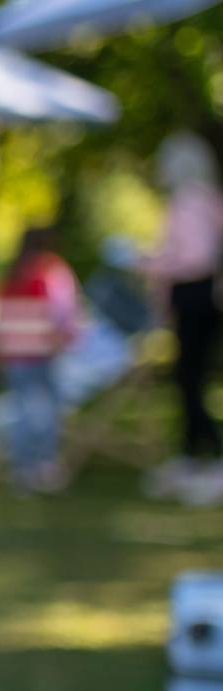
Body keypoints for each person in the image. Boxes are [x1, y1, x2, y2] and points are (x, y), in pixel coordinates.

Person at [141, 132, 223, 504]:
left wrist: (152, 263)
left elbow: (194, 259)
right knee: (191, 378)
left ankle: (205, 451)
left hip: (195, 297)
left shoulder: (188, 202)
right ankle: (193, 453)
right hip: (203, 298)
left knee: (188, 379)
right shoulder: (209, 201)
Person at [0, 227, 80, 494]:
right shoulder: (52, 272)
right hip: (42, 349)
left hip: (14, 351)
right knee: (47, 408)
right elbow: (64, 311)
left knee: (22, 410)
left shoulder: (13, 271)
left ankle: (23, 468)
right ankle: (45, 465)